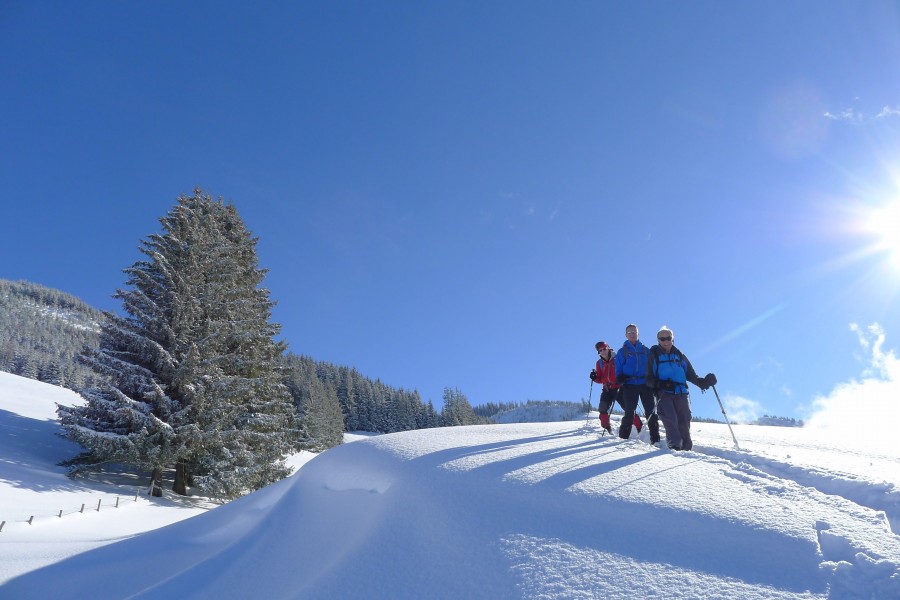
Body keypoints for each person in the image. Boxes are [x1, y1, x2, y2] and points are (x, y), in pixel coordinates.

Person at [645, 325, 716, 451]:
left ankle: (686, 450)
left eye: (668, 338)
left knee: (685, 420)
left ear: (673, 339)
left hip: (682, 392)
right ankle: (675, 448)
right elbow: (648, 379)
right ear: (658, 341)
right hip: (663, 393)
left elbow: (691, 375)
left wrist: (704, 382)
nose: (666, 341)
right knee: (670, 419)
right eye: (662, 339)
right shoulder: (654, 355)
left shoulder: (679, 355)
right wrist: (660, 384)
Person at [614, 324, 659, 443]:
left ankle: (656, 439)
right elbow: (618, 367)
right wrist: (619, 377)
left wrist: (653, 379)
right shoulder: (622, 351)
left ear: (638, 333)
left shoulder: (645, 350)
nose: (632, 334)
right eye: (629, 332)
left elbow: (653, 365)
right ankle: (623, 438)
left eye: (634, 332)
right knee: (629, 412)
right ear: (626, 335)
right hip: (629, 384)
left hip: (645, 384)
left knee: (651, 412)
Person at [589, 341, 620, 434]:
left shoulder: (617, 358)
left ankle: (639, 427)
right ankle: (607, 429)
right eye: (600, 350)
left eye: (604, 349)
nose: (603, 351)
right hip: (607, 389)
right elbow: (600, 379)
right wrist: (594, 377)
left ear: (608, 348)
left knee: (628, 408)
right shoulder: (599, 363)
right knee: (602, 409)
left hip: (619, 387)